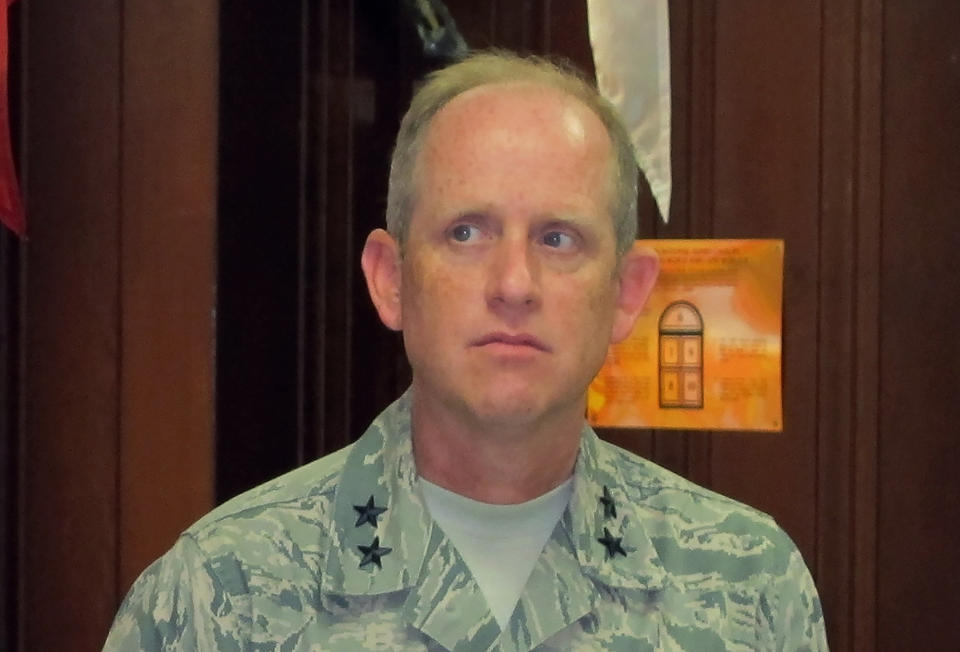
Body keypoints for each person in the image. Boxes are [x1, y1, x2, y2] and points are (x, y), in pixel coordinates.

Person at [104, 50, 828, 651]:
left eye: (558, 239)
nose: (514, 284)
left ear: (627, 295)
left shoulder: (749, 589)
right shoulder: (218, 591)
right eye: (467, 233)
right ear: (390, 280)